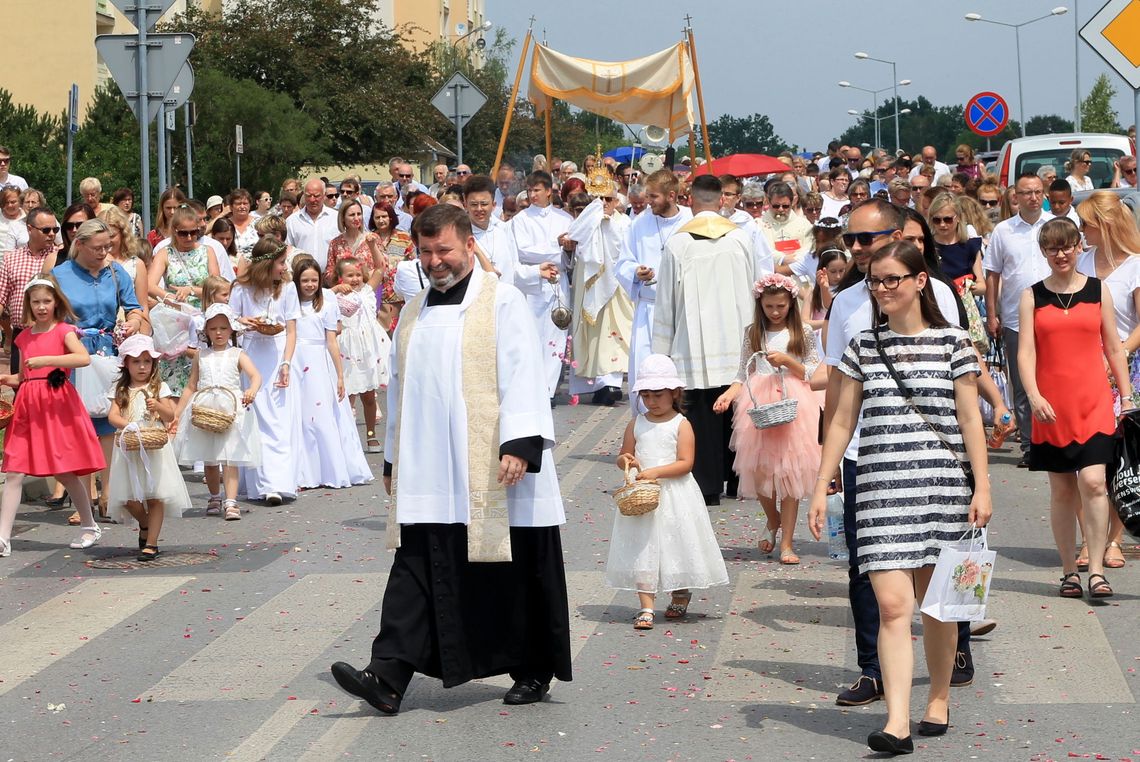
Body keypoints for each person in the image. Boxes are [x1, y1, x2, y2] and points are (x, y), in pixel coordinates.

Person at [329, 203, 571, 713]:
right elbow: (400, 389)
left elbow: (523, 369)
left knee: (517, 566)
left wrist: (521, 443)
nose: (436, 261)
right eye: (425, 251)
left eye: (444, 250)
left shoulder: (501, 301)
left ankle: (533, 670)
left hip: (493, 464)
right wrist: (393, 457)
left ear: (468, 246)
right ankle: (388, 675)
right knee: (417, 562)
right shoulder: (413, 310)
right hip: (430, 466)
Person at [810, 240, 991, 755]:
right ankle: (896, 723)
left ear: (919, 282)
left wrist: (983, 484)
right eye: (876, 280)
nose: (883, 287)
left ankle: (937, 698)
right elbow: (841, 419)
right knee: (892, 608)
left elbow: (969, 418)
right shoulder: (862, 347)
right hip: (880, 487)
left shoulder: (954, 343)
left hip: (944, 490)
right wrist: (822, 484)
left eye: (893, 278)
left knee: (938, 607)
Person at [1018, 217, 1130, 600]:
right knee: (1063, 490)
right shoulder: (1031, 295)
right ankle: (1069, 571)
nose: (1061, 254)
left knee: (1095, 482)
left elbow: (1114, 348)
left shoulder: (1099, 291)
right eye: (1052, 248)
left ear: (1079, 246)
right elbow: (1026, 353)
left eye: (1067, 246)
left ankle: (1096, 569)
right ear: (1044, 252)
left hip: (1095, 401)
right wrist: (1033, 395)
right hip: (1051, 406)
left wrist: (1127, 397)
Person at [652, 174, 754, 505]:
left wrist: (660, 355)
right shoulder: (740, 239)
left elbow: (665, 301)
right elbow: (754, 289)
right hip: (736, 338)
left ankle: (706, 485)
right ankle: (739, 480)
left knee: (701, 414)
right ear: (721, 200)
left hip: (692, 344)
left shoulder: (678, 243)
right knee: (736, 405)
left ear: (690, 200)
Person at [609, 353, 728, 629]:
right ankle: (647, 607)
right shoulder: (636, 423)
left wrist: (656, 472)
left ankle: (680, 590)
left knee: (678, 543)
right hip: (644, 497)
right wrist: (626, 461)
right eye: (646, 396)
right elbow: (624, 454)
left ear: (674, 393)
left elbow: (686, 463)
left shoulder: (681, 425)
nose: (652, 402)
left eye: (658, 395)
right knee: (643, 547)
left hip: (675, 495)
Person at [715, 273, 822, 562]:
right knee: (759, 471)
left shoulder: (803, 332)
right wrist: (728, 395)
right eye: (770, 307)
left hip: (794, 400)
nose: (775, 312)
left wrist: (788, 361)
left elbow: (814, 371)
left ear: (791, 304)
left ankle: (786, 543)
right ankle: (772, 518)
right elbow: (743, 372)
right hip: (760, 400)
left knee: (791, 475)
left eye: (781, 307)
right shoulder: (753, 332)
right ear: (760, 305)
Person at [0, 276, 106, 557]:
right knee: (14, 471)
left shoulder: (64, 331)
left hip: (57, 405)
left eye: (46, 301)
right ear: (28, 305)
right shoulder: (23, 336)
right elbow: (25, 376)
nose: (41, 307)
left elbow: (82, 358)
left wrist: (47, 361)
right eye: (36, 302)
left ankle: (89, 525)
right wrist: (6, 379)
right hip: (28, 407)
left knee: (65, 471)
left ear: (56, 302)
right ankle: (3, 538)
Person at [53, 219, 145, 521]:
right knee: (79, 426)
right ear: (79, 244)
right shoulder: (59, 275)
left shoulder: (116, 272)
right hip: (75, 354)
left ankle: (108, 493)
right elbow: (49, 317)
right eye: (98, 248)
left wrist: (132, 321)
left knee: (107, 424)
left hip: (109, 353)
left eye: (108, 246)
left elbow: (134, 307)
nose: (105, 252)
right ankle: (85, 497)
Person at [1076, 191, 1140, 570]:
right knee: (1085, 462)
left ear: (1106, 225)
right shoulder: (1081, 261)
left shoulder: (1135, 266)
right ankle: (1090, 540)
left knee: (1119, 458)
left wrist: (1119, 354)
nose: (1082, 231)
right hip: (1082, 369)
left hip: (1123, 371)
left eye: (1086, 224)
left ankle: (1113, 540)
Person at [984, 173, 1053, 467]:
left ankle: (1055, 440)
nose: (1033, 197)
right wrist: (991, 313)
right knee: (1023, 384)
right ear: (1016, 196)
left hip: (1054, 314)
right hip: (1014, 317)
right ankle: (1030, 445)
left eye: (1038, 192)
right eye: (1026, 193)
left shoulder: (1056, 225)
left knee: (1053, 379)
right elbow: (992, 274)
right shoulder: (1003, 231)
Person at [230, 238, 302, 505]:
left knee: (280, 420)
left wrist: (286, 363)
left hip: (277, 354)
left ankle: (281, 482)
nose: (284, 268)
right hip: (251, 357)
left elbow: (292, 330)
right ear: (267, 264)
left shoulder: (287, 289)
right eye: (281, 262)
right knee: (257, 421)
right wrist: (242, 321)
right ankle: (264, 484)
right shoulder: (241, 289)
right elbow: (229, 320)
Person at [106, 334, 189, 559]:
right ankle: (144, 523)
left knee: (155, 495)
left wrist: (158, 407)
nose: (142, 367)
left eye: (147, 361)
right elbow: (113, 416)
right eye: (136, 362)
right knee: (128, 498)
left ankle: (151, 542)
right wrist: (130, 426)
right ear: (126, 364)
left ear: (153, 364)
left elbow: (170, 414)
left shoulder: (158, 387)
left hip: (154, 446)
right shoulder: (121, 388)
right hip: (130, 446)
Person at [291, 258, 372, 488]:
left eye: (314, 280)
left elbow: (332, 341)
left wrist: (339, 375)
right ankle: (304, 471)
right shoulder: (290, 302)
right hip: (296, 360)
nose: (309, 285)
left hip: (319, 360)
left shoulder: (326, 301)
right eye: (304, 280)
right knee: (301, 417)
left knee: (322, 414)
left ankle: (329, 468)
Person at [174, 303, 260, 520]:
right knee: (210, 458)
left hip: (230, 409)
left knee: (230, 457)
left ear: (231, 329)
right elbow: (191, 385)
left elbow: (256, 376)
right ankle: (214, 496)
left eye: (223, 328)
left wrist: (251, 390)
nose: (219, 333)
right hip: (205, 407)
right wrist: (178, 412)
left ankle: (231, 502)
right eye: (213, 329)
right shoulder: (201, 355)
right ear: (206, 332)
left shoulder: (237, 354)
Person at [616, 169, 693, 404]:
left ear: (671, 195)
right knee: (646, 368)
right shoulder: (639, 223)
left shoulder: (691, 220)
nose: (647, 202)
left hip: (682, 311)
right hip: (648, 310)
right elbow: (623, 262)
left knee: (680, 369)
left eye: (653, 197)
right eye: (647, 196)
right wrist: (635, 272)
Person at [563, 176, 634, 406]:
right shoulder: (586, 220)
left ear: (617, 201)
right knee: (593, 335)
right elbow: (573, 243)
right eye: (598, 199)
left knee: (615, 332)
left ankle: (610, 383)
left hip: (617, 286)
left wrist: (607, 224)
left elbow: (624, 249)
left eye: (608, 199)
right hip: (590, 285)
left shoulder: (625, 223)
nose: (604, 204)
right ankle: (598, 383)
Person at [509, 170, 572, 401]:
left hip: (558, 280)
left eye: (537, 190)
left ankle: (549, 388)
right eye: (530, 190)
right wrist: (555, 248)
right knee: (534, 335)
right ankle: (534, 387)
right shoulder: (521, 219)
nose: (533, 194)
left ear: (549, 191)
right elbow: (524, 250)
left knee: (557, 332)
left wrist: (567, 250)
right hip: (534, 282)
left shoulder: (565, 218)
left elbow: (571, 252)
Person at [148, 207, 220, 395]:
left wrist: (192, 291)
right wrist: (168, 297)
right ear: (174, 232)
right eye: (183, 233)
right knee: (174, 381)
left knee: (204, 377)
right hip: (176, 323)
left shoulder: (208, 251)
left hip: (202, 320)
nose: (189, 238)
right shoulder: (165, 253)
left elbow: (217, 287)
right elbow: (149, 284)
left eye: (194, 232)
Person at [331, 257, 389, 453]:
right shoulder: (333, 297)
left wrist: (373, 247)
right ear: (340, 278)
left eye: (357, 275)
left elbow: (380, 269)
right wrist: (335, 291)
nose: (355, 279)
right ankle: (346, 439)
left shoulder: (367, 292)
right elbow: (318, 300)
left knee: (369, 397)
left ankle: (371, 435)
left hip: (367, 351)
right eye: (349, 275)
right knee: (347, 396)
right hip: (346, 351)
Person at [0, 207, 58, 371]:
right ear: (30, 229)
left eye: (55, 229)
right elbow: (1, 297)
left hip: (52, 335)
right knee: (19, 386)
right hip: (22, 333)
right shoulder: (12, 258)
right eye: (46, 230)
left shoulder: (60, 257)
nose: (52, 234)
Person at [286, 179, 339, 270]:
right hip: (302, 278)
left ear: (324, 195)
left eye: (316, 196)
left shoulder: (336, 218)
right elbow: (287, 251)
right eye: (308, 196)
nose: (312, 199)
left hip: (331, 278)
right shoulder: (292, 221)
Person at [803, 247, 849, 331]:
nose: (838, 276)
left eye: (841, 270)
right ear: (823, 270)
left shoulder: (849, 289)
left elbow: (832, 308)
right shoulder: (813, 291)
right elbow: (804, 322)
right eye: (833, 271)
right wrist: (827, 322)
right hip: (820, 337)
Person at [227, 189, 260, 258]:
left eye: (245, 203)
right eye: (238, 204)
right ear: (231, 206)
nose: (242, 207)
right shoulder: (225, 224)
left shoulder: (259, 223)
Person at [0, 186, 28, 254]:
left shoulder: (28, 217)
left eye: (13, 202)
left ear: (20, 202)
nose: (10, 205)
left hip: (19, 261)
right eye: (6, 202)